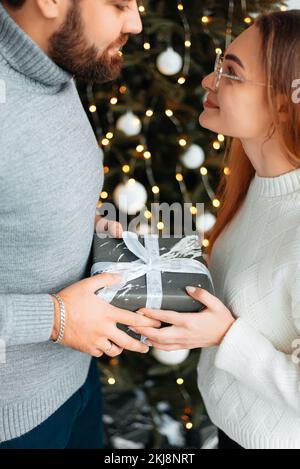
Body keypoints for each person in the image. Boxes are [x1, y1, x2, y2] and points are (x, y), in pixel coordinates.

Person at [133, 10, 300, 449]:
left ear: (285, 103)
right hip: (227, 432)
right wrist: (132, 249)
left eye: (232, 73)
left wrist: (226, 336)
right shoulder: (256, 186)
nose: (209, 82)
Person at [0, 0, 161, 449]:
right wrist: (55, 319)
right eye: (118, 5)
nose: (136, 22)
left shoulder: (51, 60)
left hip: (75, 381)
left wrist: (84, 225)